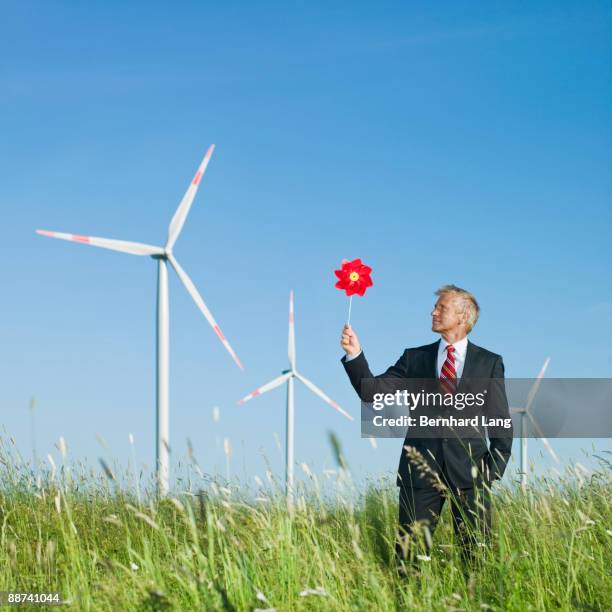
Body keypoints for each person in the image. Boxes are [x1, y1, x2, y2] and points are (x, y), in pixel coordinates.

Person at [340, 284, 512, 573]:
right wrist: (355, 355)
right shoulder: (414, 358)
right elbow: (372, 392)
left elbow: (499, 419)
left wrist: (491, 470)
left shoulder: (490, 363)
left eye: (441, 307)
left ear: (462, 315)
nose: (433, 312)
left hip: (472, 474)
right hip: (418, 472)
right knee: (409, 559)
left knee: (476, 557)